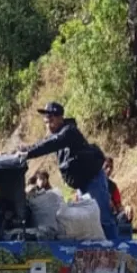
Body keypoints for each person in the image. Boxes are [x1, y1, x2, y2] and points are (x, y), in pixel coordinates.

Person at [20, 102, 118, 240]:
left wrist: (28, 154)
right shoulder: (57, 134)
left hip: (93, 180)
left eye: (52, 120)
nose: (49, 124)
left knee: (103, 217)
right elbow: (42, 143)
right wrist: (24, 150)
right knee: (87, 220)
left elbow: (50, 144)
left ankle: (116, 249)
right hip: (81, 184)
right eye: (46, 121)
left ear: (61, 118)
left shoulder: (69, 132)